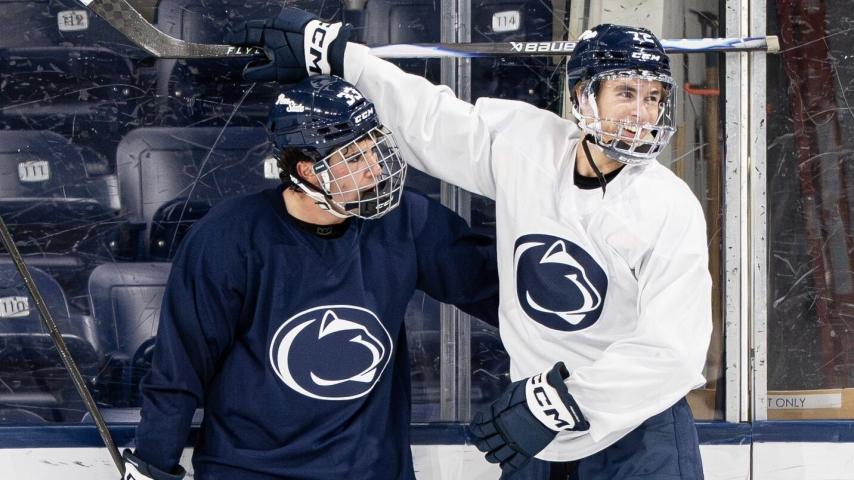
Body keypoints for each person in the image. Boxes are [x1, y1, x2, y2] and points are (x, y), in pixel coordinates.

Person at [226, 12, 713, 480]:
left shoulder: (669, 206)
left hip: (635, 428)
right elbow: (433, 121)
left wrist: (564, 400)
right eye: (626, 92)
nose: (642, 112)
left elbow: (673, 351)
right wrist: (339, 55)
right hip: (536, 418)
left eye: (653, 97)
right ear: (583, 95)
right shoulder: (532, 147)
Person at [121, 75, 499, 480]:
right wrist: (153, 466)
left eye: (373, 148)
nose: (374, 168)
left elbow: (500, 292)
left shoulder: (406, 220)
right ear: (308, 170)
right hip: (251, 471)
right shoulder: (229, 237)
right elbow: (180, 368)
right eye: (354, 158)